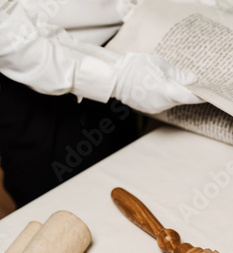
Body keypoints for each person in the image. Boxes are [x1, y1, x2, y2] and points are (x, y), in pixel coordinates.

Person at [0, 0, 202, 207]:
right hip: (42, 73)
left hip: (134, 41)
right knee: (60, 202)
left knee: (141, 178)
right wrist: (118, 79)